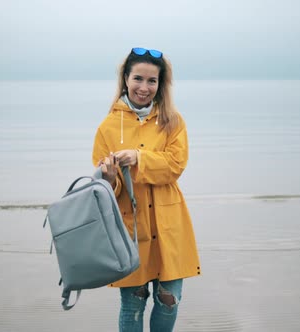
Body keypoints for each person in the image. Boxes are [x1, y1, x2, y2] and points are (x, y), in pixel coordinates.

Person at [92, 47, 201, 332]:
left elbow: (175, 166)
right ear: (125, 79)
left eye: (152, 81)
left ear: (160, 84)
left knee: (169, 301)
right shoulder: (107, 126)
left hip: (169, 226)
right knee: (133, 305)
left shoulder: (173, 122)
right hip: (130, 231)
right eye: (138, 78)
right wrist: (109, 176)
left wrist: (139, 158)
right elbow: (105, 192)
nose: (144, 87)